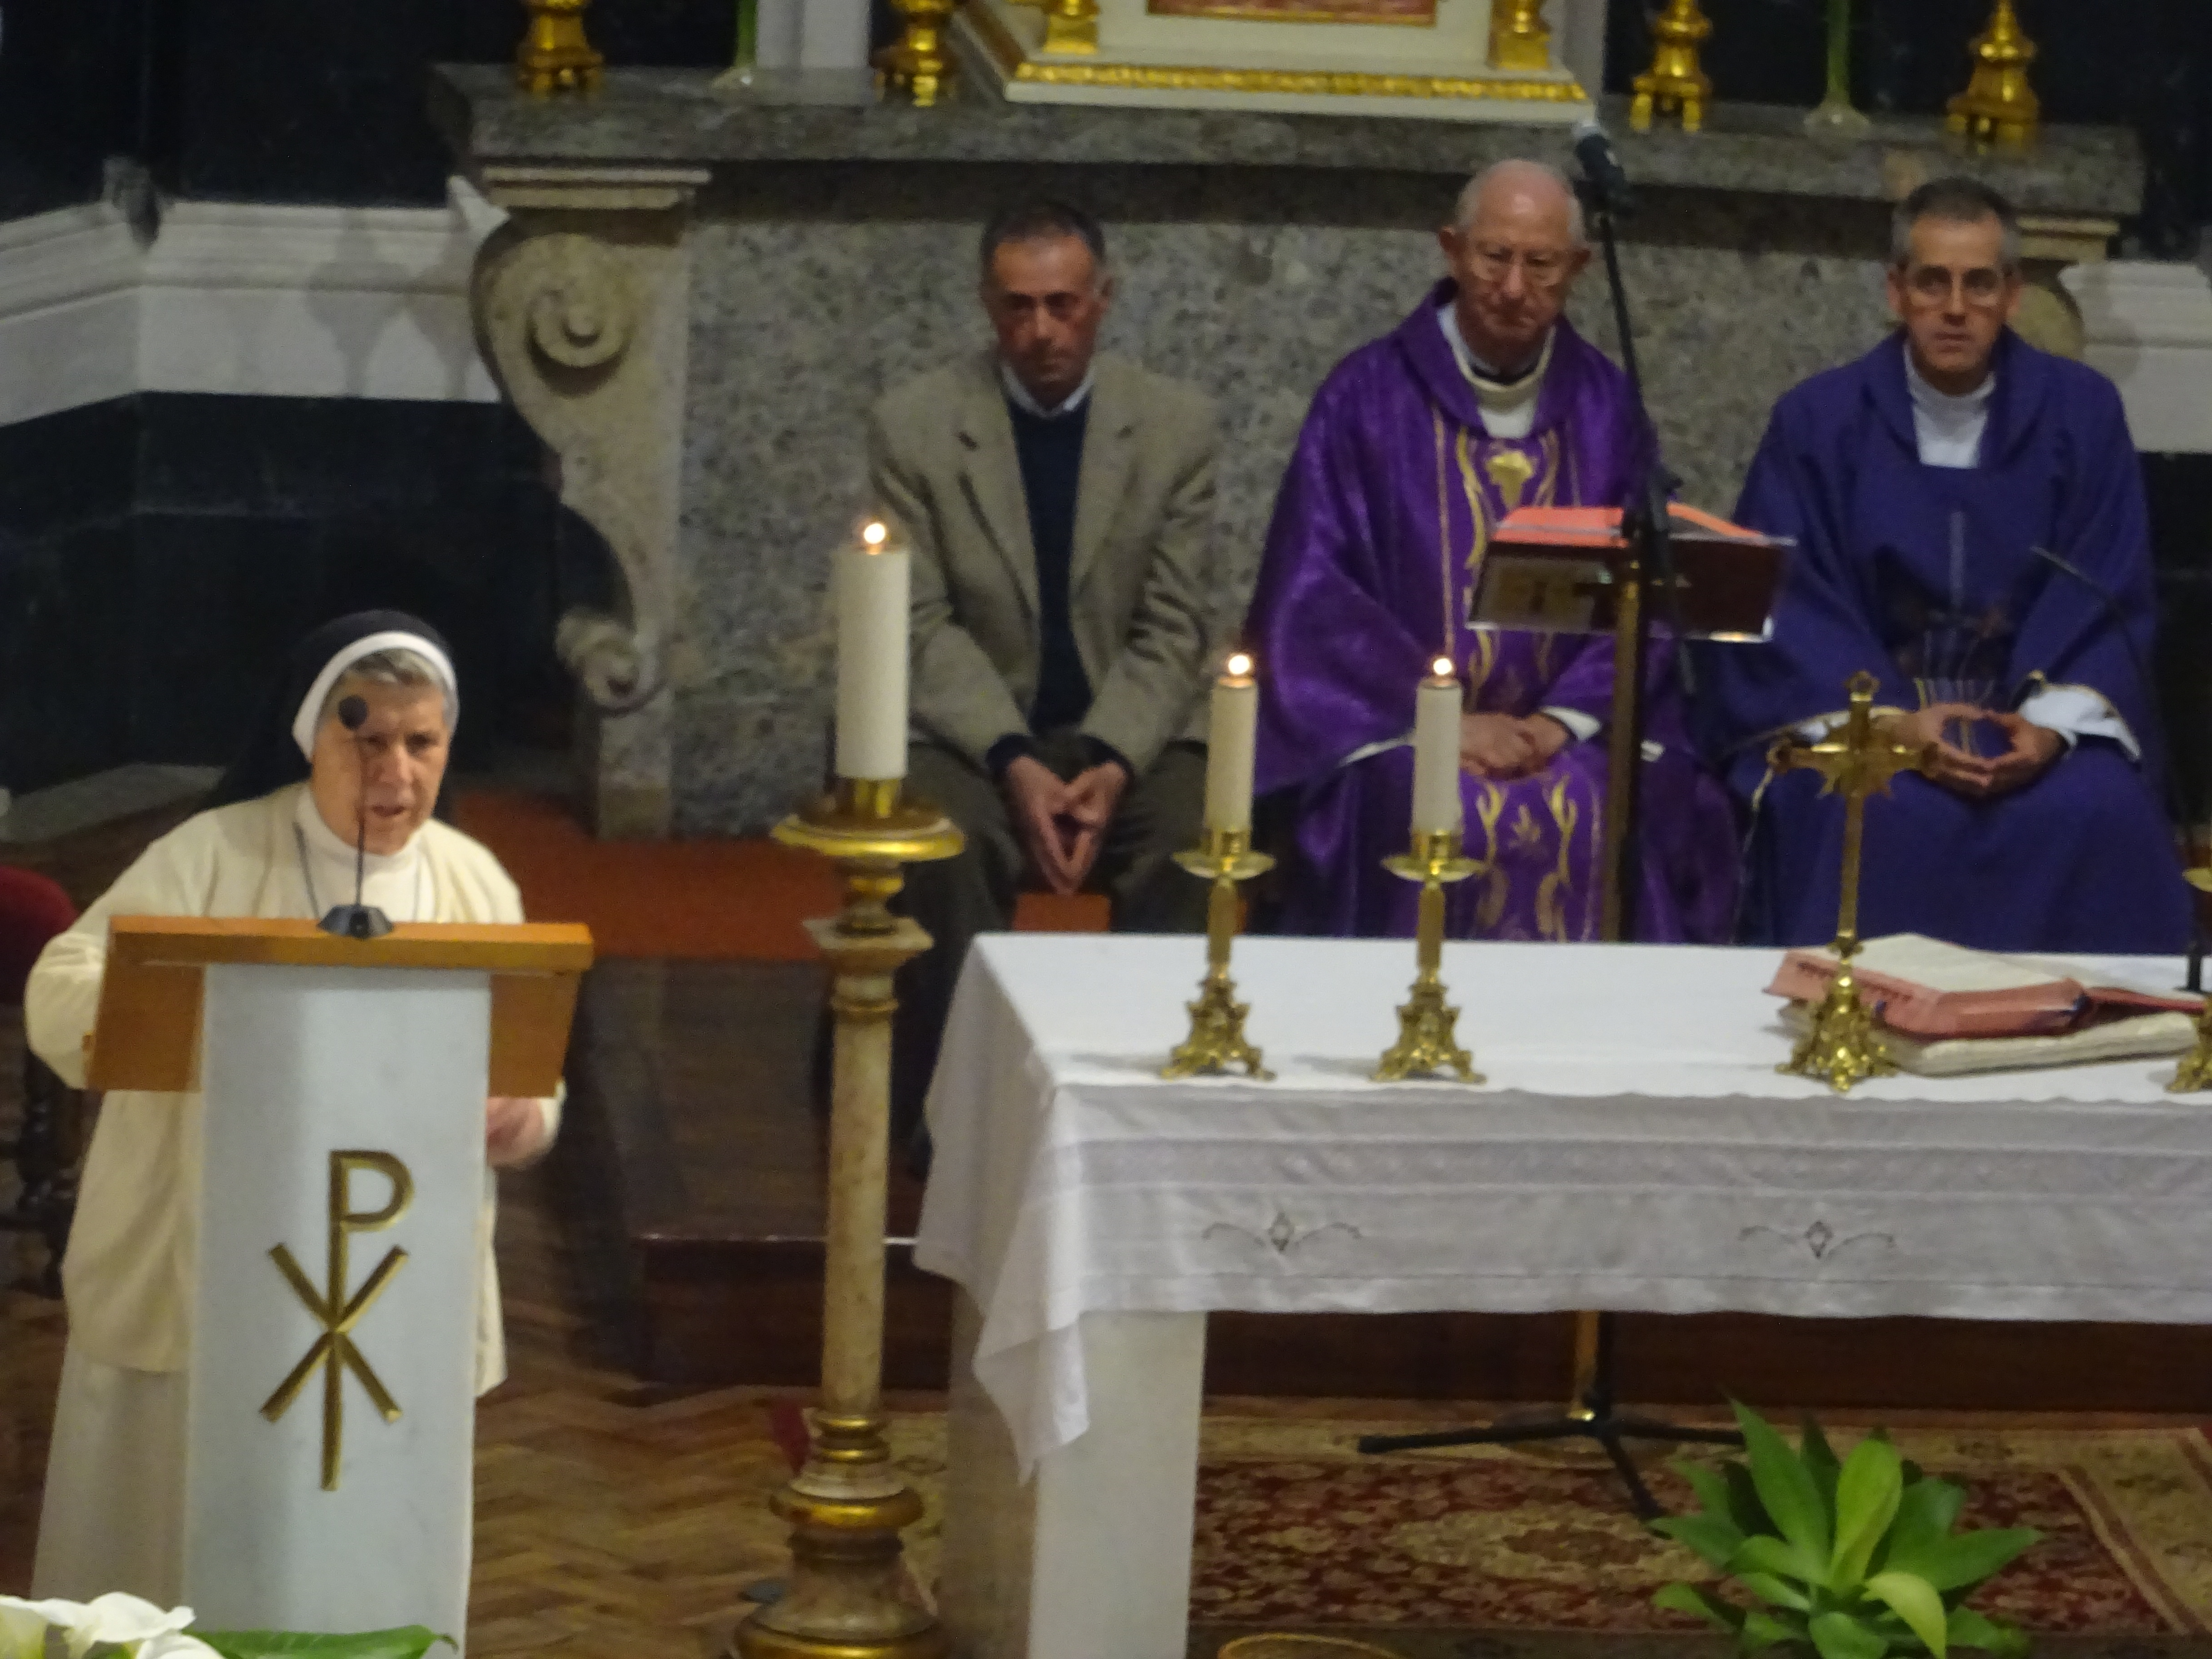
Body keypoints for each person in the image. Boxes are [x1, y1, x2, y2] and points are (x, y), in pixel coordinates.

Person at [25, 610, 558, 1602]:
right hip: (199, 1272)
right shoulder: (212, 854)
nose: (395, 771)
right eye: (367, 739)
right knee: (168, 1556)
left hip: (392, 1287)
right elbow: (61, 987)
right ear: (311, 737)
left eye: (422, 742)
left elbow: (534, 1076)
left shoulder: (472, 881)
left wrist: (519, 1116)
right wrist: (195, 1016)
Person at [1247, 160, 1737, 941]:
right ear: (1451, 249)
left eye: (1541, 264)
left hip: (1567, 734)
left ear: (1579, 267)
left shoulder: (1608, 406)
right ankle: (1413, 1010)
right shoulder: (1365, 399)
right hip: (1404, 730)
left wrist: (1559, 722)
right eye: (1494, 257)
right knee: (1421, 806)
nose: (1513, 287)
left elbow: (1644, 587)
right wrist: (1442, 720)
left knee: (1633, 805)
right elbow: (1314, 597)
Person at [1703, 178, 2193, 952]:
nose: (1956, 308)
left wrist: (2049, 730)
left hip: (2030, 720)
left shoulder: (2083, 414)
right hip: (1871, 724)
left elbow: (2108, 586)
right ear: (1896, 291)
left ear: (2012, 294)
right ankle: (1843, 1007)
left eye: (1979, 284)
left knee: (2102, 810)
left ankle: (2100, 1020)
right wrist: (1896, 726)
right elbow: (1790, 603)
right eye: (1933, 282)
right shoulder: (1817, 421)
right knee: (1860, 808)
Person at [867, 200, 1216, 1134]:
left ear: (1104, 299)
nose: (1042, 331)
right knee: (944, 845)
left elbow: (1173, 625)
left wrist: (1111, 759)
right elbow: (921, 625)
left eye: (1063, 305)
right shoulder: (918, 427)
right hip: (974, 735)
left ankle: (1144, 1103)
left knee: (1194, 837)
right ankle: (953, 1113)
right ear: (988, 306)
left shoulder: (1175, 428)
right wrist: (1013, 757)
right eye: (1018, 307)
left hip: (1121, 727)